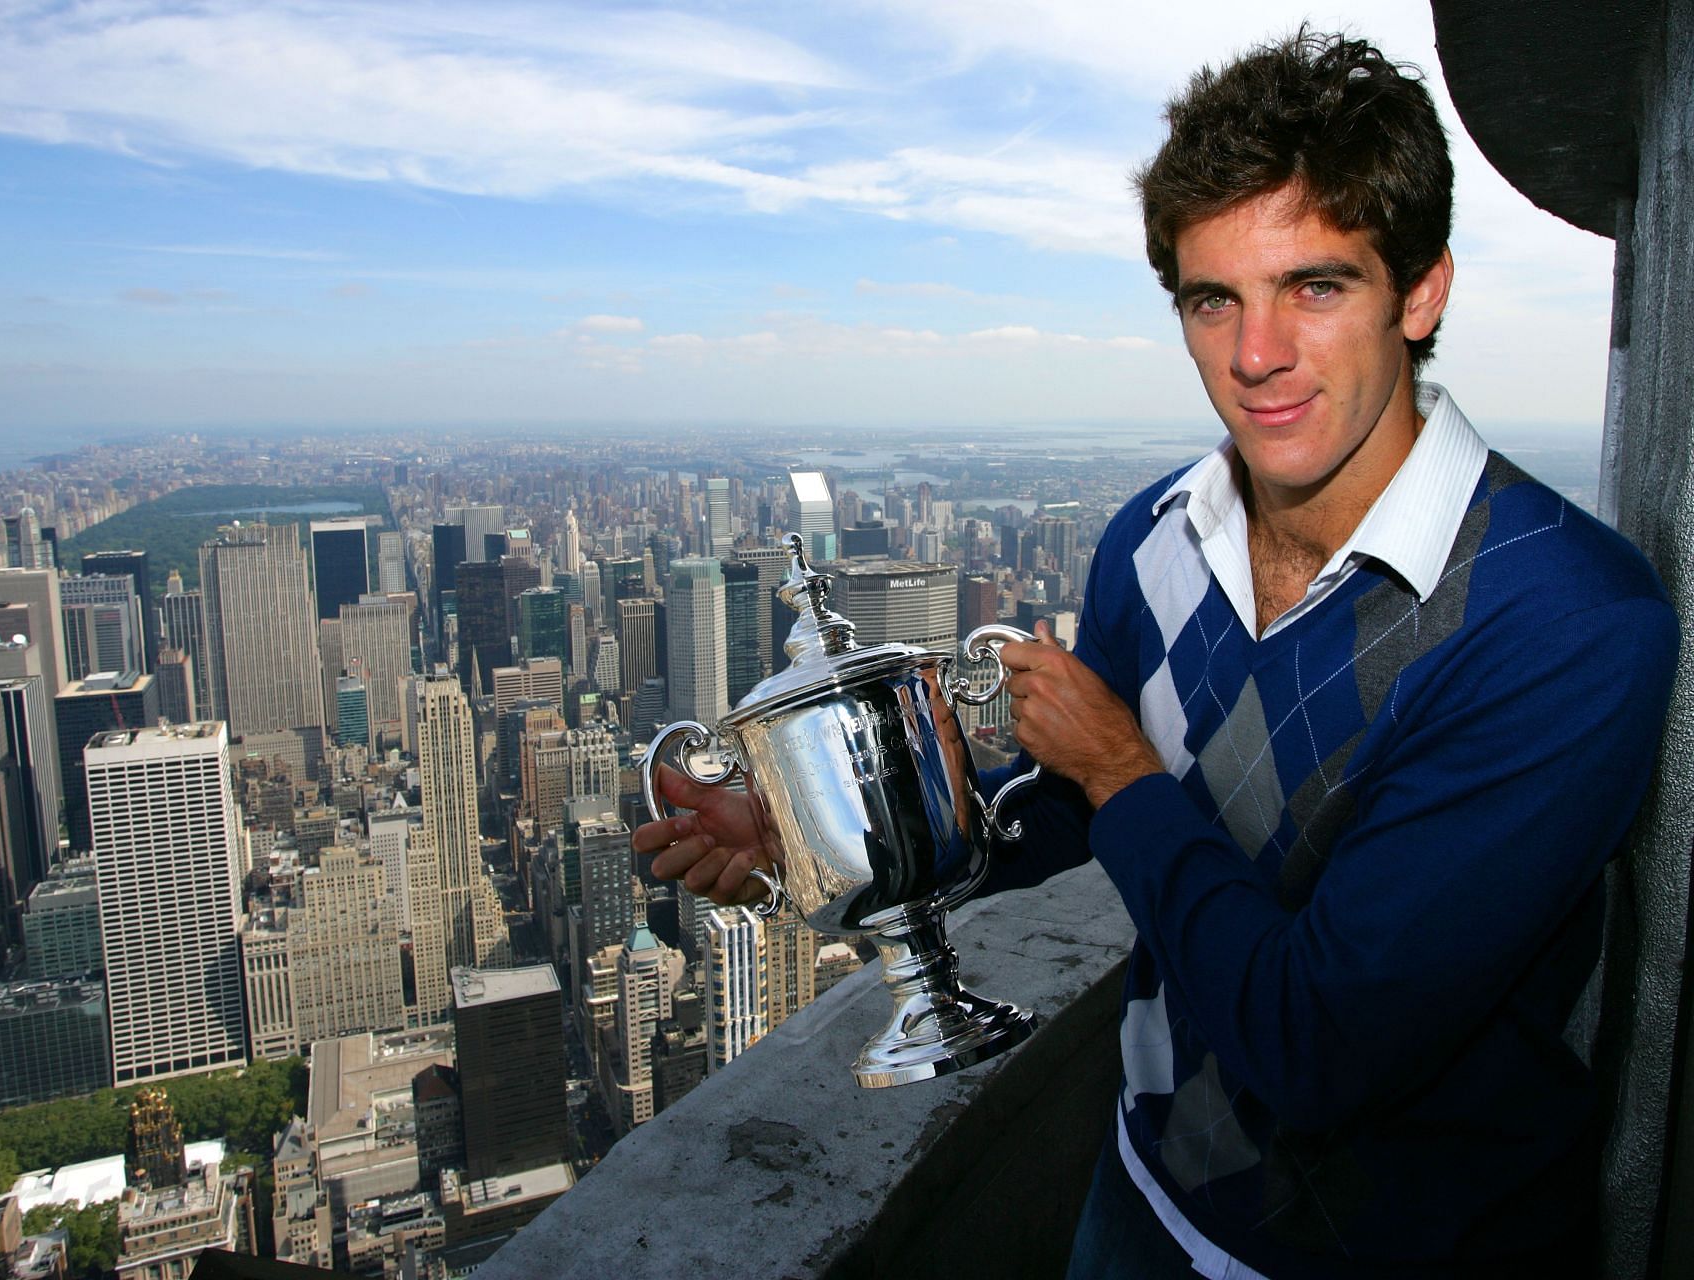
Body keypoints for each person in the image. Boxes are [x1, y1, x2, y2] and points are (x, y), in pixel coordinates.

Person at [633, 28, 1677, 1280]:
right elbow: (1075, 814)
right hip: (1135, 1212)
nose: (1255, 354)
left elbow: (1321, 1044)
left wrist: (1127, 771)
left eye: (1317, 286)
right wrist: (836, 835)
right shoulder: (1149, 541)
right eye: (1213, 297)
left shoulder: (1562, 621)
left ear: (1422, 291)